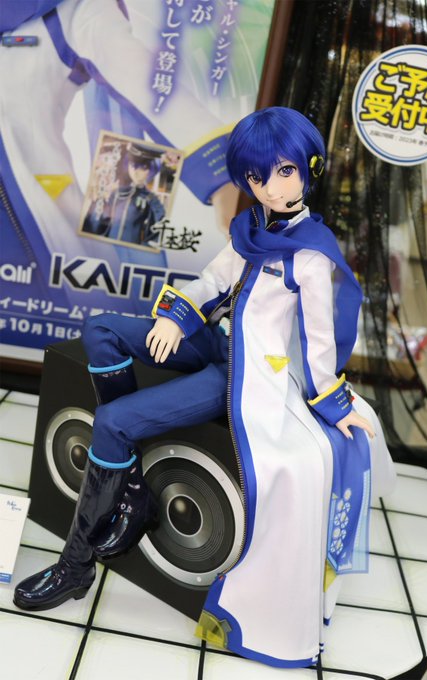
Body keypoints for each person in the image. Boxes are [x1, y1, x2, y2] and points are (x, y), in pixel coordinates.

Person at [14, 107, 396, 668]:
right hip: (214, 344)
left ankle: (75, 564)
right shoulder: (252, 229)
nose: (271, 187)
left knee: (113, 423)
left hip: (244, 375)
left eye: (285, 172)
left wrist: (336, 406)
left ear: (309, 168)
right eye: (258, 177)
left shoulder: (311, 256)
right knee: (100, 331)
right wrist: (176, 317)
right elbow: (213, 281)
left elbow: (320, 343)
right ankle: (132, 489)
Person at [82, 143, 165, 245]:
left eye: (143, 167)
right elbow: (96, 227)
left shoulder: (150, 200)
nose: (136, 172)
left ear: (152, 169)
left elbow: (158, 230)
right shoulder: (115, 193)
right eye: (133, 165)